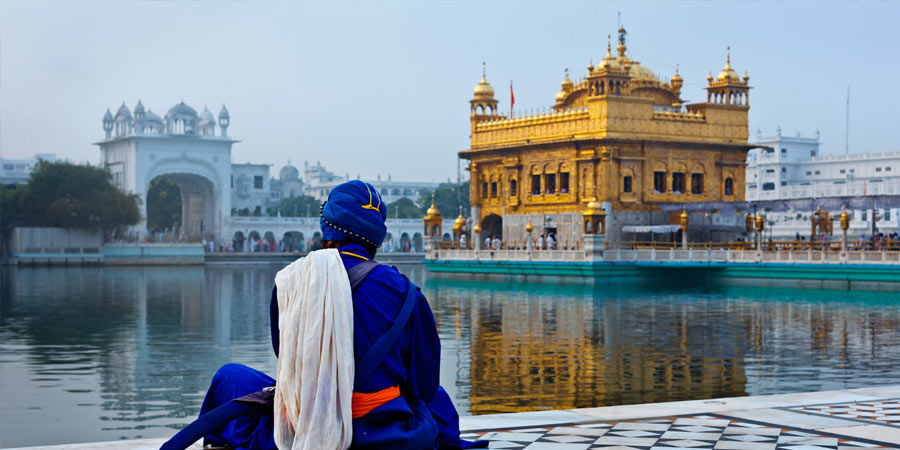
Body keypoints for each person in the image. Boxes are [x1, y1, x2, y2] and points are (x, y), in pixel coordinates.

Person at [177, 181, 485, 450]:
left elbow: (288, 361)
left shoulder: (291, 281)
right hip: (384, 433)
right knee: (438, 398)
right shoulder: (406, 291)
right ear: (376, 238)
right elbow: (424, 384)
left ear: (327, 230)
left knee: (230, 377)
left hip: (306, 423)